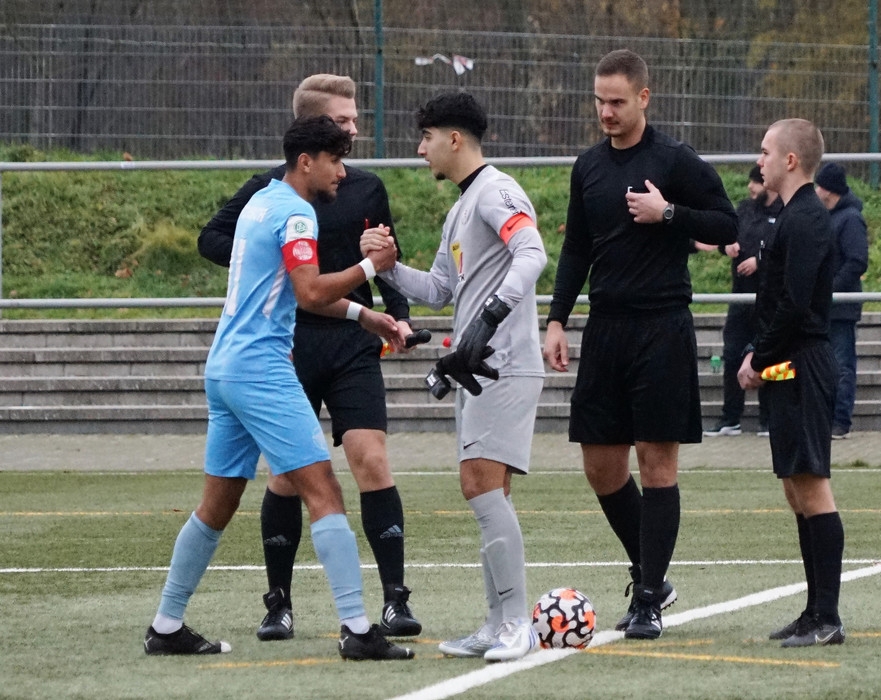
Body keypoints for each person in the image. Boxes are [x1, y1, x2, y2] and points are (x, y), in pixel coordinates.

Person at [144, 115, 413, 660]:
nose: (342, 172)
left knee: (215, 507)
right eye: (334, 160)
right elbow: (310, 291)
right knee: (325, 492)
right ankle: (358, 630)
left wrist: (362, 315)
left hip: (225, 368)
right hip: (261, 371)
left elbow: (287, 290)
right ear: (306, 162)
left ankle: (165, 625)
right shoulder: (296, 212)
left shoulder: (260, 202)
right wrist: (370, 265)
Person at [542, 49, 738, 641]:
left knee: (656, 463)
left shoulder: (675, 159)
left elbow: (728, 224)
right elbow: (577, 247)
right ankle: (652, 570)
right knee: (601, 466)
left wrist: (668, 212)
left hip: (662, 326)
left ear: (644, 98)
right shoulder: (588, 166)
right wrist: (556, 319)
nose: (606, 111)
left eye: (617, 101)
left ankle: (649, 595)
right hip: (606, 328)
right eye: (599, 101)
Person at [361, 91, 547, 662]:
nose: (421, 150)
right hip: (476, 369)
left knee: (480, 485)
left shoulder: (496, 190)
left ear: (455, 138)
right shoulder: (461, 208)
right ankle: (497, 623)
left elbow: (532, 253)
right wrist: (387, 268)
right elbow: (440, 289)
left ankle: (516, 623)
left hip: (503, 363)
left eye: (427, 138)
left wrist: (489, 317)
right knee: (485, 489)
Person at [738, 118, 846, 648]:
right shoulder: (789, 215)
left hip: (803, 362)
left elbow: (796, 304)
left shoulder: (805, 219)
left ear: (790, 160)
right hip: (789, 362)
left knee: (812, 485)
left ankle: (827, 617)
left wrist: (758, 357)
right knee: (795, 489)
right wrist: (763, 355)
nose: (759, 160)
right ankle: (812, 612)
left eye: (765, 151)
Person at [701, 165, 782, 438]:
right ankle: (730, 418)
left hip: (767, 300)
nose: (750, 187)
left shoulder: (784, 212)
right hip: (740, 298)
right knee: (733, 353)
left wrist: (759, 262)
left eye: (756, 182)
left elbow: (783, 250)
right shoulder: (745, 209)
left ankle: (769, 420)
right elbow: (726, 234)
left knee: (769, 356)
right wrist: (726, 246)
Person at [814, 162, 869, 440]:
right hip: (825, 305)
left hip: (840, 307)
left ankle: (840, 421)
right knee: (828, 365)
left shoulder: (850, 219)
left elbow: (857, 261)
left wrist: (830, 289)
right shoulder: (830, 217)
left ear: (828, 190)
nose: (815, 190)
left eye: (819, 185)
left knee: (842, 364)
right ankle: (827, 419)